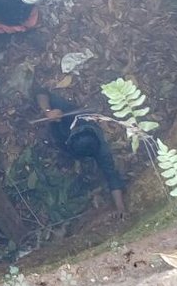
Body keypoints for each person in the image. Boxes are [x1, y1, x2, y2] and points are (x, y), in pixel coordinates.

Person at [34, 87, 127, 217]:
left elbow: (112, 176)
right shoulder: (67, 111)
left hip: (70, 146)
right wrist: (48, 112)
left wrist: (120, 207)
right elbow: (41, 92)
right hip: (62, 139)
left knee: (106, 167)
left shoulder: (101, 149)